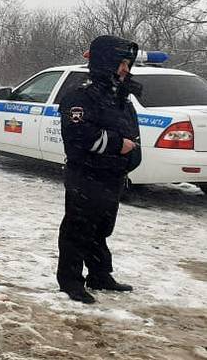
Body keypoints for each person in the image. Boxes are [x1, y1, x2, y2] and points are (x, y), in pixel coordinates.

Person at [56, 35, 142, 304]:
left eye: (128, 64)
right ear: (107, 63)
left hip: (112, 176)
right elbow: (78, 137)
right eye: (122, 63)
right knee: (78, 228)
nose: (126, 69)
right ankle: (71, 281)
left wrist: (131, 156)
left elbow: (132, 133)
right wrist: (119, 145)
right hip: (86, 175)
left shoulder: (120, 97)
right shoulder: (80, 96)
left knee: (102, 228)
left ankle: (99, 274)